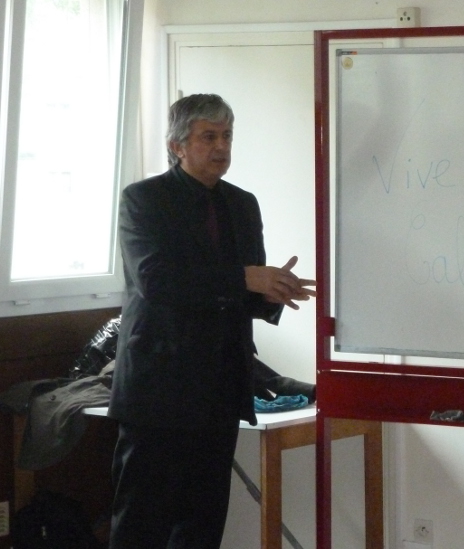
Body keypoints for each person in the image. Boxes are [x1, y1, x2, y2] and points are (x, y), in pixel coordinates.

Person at [108, 93, 315, 549]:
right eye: (208, 137)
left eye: (227, 136)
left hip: (220, 388)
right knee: (143, 522)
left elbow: (240, 292)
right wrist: (247, 278)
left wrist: (274, 291)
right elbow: (156, 281)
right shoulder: (143, 200)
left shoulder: (242, 204)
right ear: (178, 145)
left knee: (202, 524)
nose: (221, 147)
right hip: (158, 389)